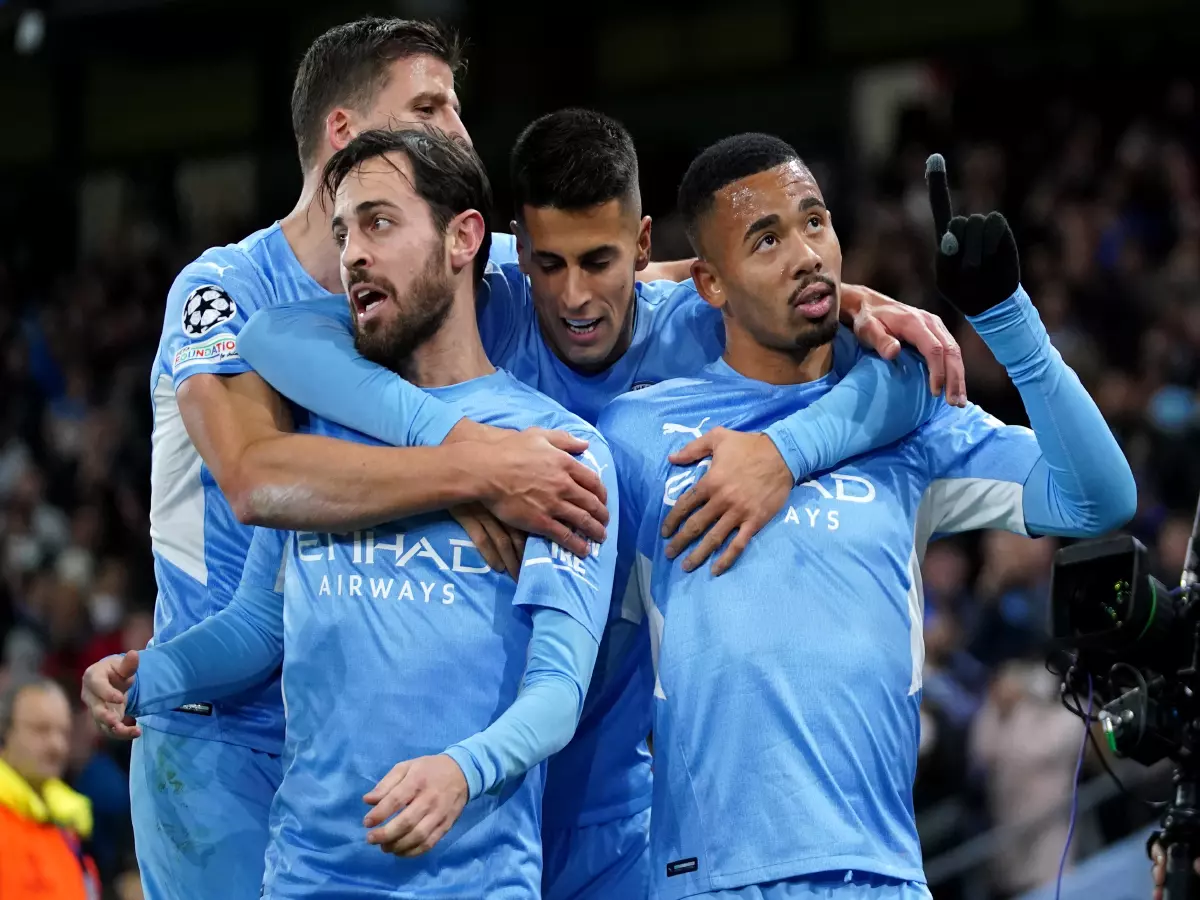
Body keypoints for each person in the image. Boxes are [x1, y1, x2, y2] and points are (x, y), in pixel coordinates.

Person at [235, 108, 961, 900]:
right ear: (515, 247)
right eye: (549, 263)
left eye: (601, 262)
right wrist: (462, 451)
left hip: (610, 807)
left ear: (645, 250)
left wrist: (798, 428)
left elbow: (899, 381)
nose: (574, 297)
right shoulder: (494, 306)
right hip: (470, 811)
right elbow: (272, 337)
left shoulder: (697, 321)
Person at [135, 18, 614, 900]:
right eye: (431, 107)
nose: (461, 132)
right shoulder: (226, 290)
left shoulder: (461, 270)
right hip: (225, 735)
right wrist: (471, 464)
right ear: (348, 136)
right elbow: (255, 478)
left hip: (395, 764)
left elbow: (631, 278)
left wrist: (836, 295)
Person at [595, 134, 1137, 900]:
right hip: (709, 878)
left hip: (879, 875)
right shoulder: (639, 436)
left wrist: (1007, 318)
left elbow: (1098, 497)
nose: (806, 254)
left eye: (815, 222)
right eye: (767, 239)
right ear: (710, 283)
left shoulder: (910, 429)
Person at [0, 676, 100, 900]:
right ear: (5, 732)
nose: (57, 745)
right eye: (41, 729)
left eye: (63, 732)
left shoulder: (70, 823)